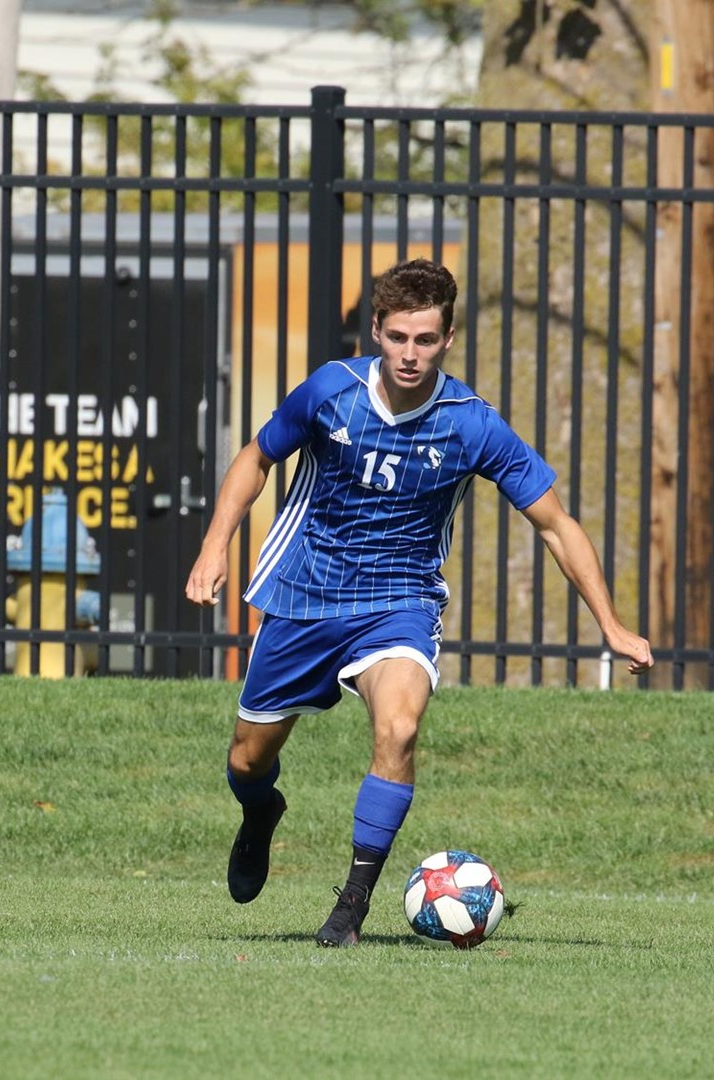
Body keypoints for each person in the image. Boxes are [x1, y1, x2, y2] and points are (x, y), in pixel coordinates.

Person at [184, 258, 653, 946]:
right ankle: (260, 815)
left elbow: (555, 524)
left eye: (425, 340)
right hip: (304, 595)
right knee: (247, 762)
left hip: (398, 602)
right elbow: (256, 458)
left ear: (448, 338)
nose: (410, 353)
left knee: (399, 730)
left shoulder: (472, 424)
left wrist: (610, 624)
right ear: (376, 330)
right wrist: (213, 546)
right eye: (399, 337)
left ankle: (351, 904)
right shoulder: (329, 393)